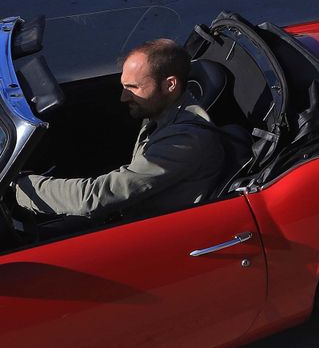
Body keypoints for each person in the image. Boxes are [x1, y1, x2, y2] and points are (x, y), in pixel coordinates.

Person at [10, 38, 223, 232]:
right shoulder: (160, 111)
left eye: (133, 87)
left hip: (155, 236)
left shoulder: (185, 142)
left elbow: (94, 198)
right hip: (133, 215)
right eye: (123, 86)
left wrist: (18, 187)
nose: (123, 98)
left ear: (170, 85)